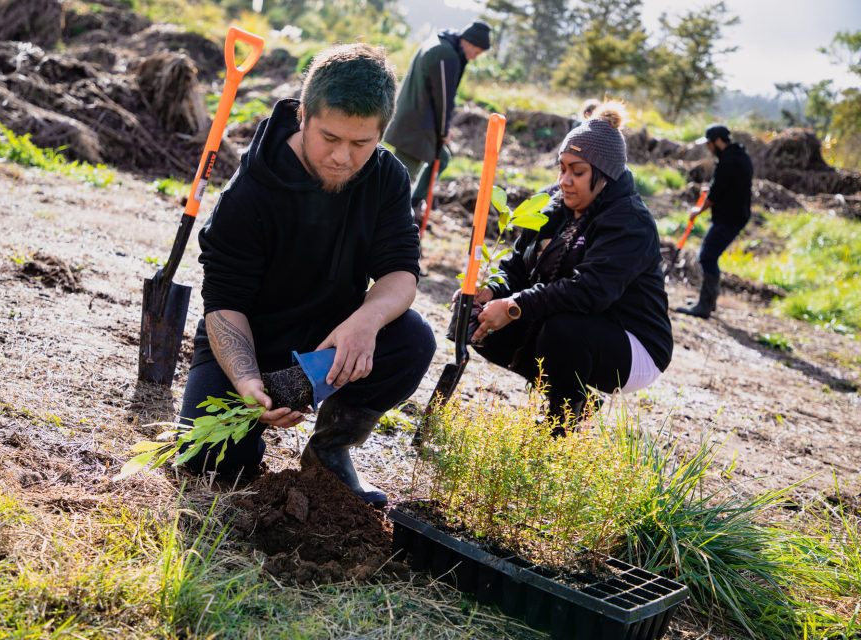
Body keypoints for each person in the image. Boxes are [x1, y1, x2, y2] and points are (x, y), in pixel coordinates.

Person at [179, 43, 437, 507]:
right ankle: (249, 433)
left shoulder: (388, 178)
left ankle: (330, 450)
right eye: (330, 138)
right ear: (303, 117)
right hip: (250, 344)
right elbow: (223, 304)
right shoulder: (250, 192)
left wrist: (365, 321)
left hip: (329, 343)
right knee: (209, 460)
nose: (342, 157)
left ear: (382, 131)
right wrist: (247, 383)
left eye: (361, 143)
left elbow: (401, 273)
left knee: (413, 338)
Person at [462, 102, 673, 430]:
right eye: (562, 169)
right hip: (581, 320)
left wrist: (516, 305)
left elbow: (590, 292)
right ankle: (575, 396)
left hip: (633, 344)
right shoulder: (553, 203)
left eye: (578, 171)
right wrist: (494, 290)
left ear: (603, 175)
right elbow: (518, 263)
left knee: (563, 330)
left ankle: (560, 422)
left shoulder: (630, 221)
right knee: (472, 315)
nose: (565, 180)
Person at [383, 21, 491, 221]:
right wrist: (444, 130)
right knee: (398, 176)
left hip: (416, 122)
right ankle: (389, 215)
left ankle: (413, 203)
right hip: (417, 127)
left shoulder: (440, 44)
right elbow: (443, 97)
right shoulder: (446, 54)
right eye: (477, 51)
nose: (475, 57)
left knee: (440, 159)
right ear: (468, 42)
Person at [676, 124, 753, 319]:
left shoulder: (729, 162)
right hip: (735, 216)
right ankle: (708, 303)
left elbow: (715, 194)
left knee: (707, 256)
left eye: (710, 143)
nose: (709, 148)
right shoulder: (741, 156)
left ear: (719, 141)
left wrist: (697, 210)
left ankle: (704, 306)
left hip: (730, 218)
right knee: (710, 256)